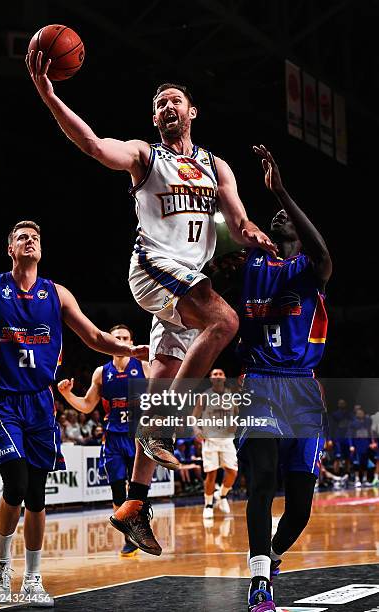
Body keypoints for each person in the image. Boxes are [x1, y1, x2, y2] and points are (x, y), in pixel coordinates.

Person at [26, 51, 277, 554]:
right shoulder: (146, 156)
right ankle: (162, 429)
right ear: (154, 117)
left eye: (175, 101)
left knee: (162, 380)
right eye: (159, 103)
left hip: (187, 286)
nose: (167, 107)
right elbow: (95, 146)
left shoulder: (215, 165)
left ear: (192, 112)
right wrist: (50, 95)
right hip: (154, 270)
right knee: (224, 322)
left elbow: (240, 220)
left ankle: (134, 507)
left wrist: (255, 235)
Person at [0, 221, 148, 604]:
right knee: (17, 484)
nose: (30, 241)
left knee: (38, 496)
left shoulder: (56, 295)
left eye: (36, 238)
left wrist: (130, 350)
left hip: (41, 403)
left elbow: (93, 337)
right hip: (1, 400)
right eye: (23, 238)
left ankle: (33, 579)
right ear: (11, 249)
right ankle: (2, 566)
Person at [214, 145, 332, 611]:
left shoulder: (310, 271)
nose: (279, 215)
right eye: (276, 212)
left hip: (302, 387)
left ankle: (274, 555)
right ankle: (259, 581)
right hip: (260, 382)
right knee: (261, 483)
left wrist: (282, 189)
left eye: (287, 214)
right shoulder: (249, 266)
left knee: (300, 507)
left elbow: (323, 251)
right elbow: (203, 277)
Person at [58, 323, 149, 557]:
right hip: (113, 439)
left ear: (131, 342)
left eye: (125, 337)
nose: (120, 340)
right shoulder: (101, 372)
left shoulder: (144, 367)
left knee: (137, 494)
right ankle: (129, 537)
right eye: (116, 337)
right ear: (109, 342)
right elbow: (88, 405)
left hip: (138, 437)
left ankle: (140, 528)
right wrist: (68, 394)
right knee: (118, 490)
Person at [192, 368, 238, 518]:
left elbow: (238, 414)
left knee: (232, 472)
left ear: (224, 378)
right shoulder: (204, 396)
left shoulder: (231, 396)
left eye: (220, 374)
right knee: (211, 475)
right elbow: (194, 417)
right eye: (214, 374)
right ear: (211, 379)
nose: (218, 376)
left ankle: (222, 495)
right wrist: (197, 430)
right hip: (210, 439)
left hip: (227, 439)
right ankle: (208, 505)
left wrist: (236, 423)